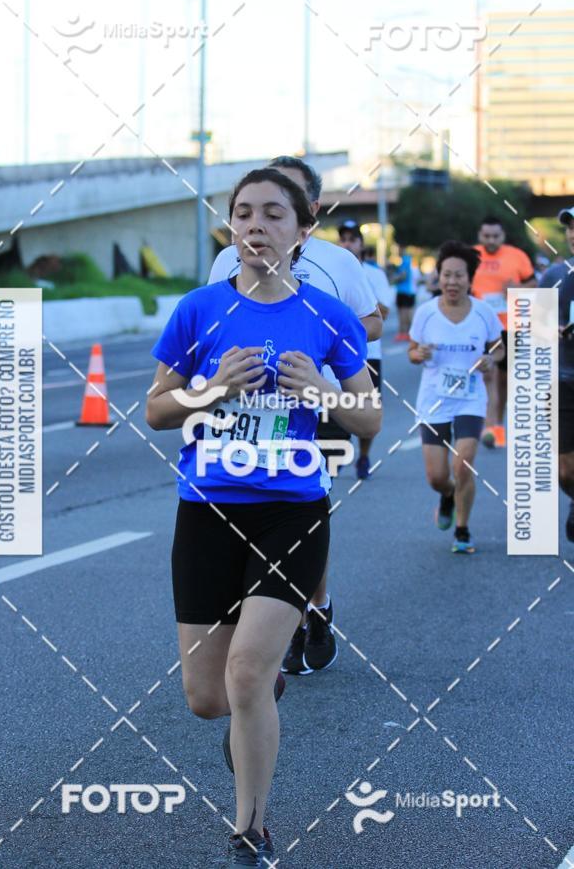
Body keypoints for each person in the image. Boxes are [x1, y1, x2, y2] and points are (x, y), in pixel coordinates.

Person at [146, 168, 380, 866]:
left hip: (293, 514)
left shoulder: (328, 318)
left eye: (274, 214)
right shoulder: (198, 310)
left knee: (244, 673)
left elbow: (372, 418)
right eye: (243, 213)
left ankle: (251, 830)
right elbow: (157, 409)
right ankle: (266, 690)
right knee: (205, 697)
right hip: (208, 512)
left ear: (303, 231)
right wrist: (210, 392)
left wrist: (325, 391)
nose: (255, 225)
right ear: (231, 229)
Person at [208, 156, 383, 677]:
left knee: (304, 498)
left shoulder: (338, 263)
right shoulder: (226, 260)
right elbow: (215, 313)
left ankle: (310, 606)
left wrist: (319, 333)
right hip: (246, 396)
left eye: (284, 201)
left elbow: (371, 322)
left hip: (317, 390)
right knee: (244, 502)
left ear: (309, 212)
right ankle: (271, 621)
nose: (263, 217)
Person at [408, 240, 504, 554]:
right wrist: (418, 353)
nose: (452, 282)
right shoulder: (425, 313)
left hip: (469, 398)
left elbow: (498, 348)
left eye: (459, 276)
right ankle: (447, 495)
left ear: (470, 278)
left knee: (463, 465)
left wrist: (492, 359)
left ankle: (462, 530)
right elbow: (412, 351)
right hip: (433, 399)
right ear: (438, 277)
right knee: (437, 476)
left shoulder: (484, 313)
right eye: (446, 275)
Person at [471, 216, 536, 448]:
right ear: (480, 235)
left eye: (495, 236)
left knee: (504, 381)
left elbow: (534, 284)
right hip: (480, 327)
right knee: (487, 375)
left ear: (503, 236)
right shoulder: (471, 255)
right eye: (486, 235)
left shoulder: (517, 256)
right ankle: (487, 425)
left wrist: (517, 289)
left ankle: (497, 424)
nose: (491, 240)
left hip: (511, 326)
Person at [338, 222, 391, 478]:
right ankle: (335, 449)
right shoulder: (334, 270)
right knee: (340, 406)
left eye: (352, 239)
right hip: (338, 353)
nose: (347, 243)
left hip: (370, 352)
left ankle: (365, 454)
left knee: (367, 407)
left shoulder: (374, 274)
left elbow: (384, 312)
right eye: (343, 239)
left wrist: (361, 296)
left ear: (361, 244)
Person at [540, 207, 574, 541]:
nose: (573, 234)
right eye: (570, 228)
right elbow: (532, 326)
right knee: (565, 469)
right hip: (561, 380)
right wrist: (554, 329)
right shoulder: (553, 276)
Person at [389, 245, 416, 341]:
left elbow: (403, 275)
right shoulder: (403, 261)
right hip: (402, 291)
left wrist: (393, 279)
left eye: (399, 249)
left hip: (406, 292)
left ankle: (406, 333)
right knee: (402, 313)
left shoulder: (406, 260)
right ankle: (404, 333)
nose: (398, 251)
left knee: (405, 314)